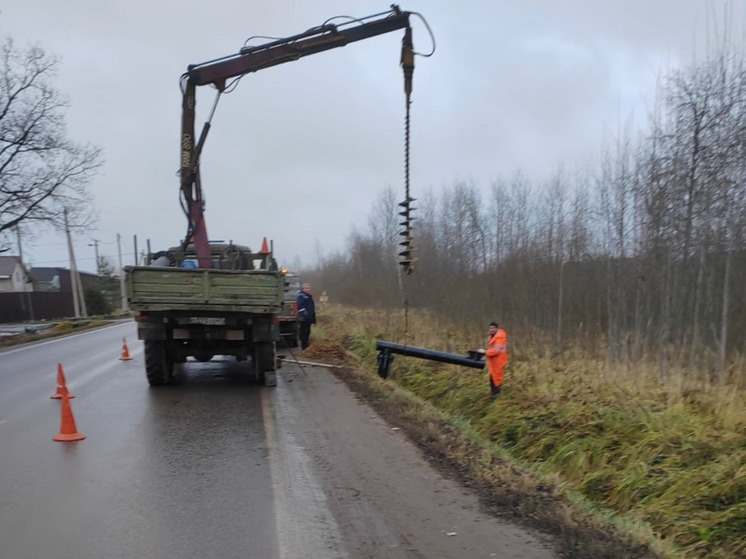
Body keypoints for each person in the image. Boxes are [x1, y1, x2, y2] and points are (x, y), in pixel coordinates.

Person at [485, 321, 508, 397]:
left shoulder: (499, 338)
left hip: (499, 361)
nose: (491, 330)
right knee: (492, 378)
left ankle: (496, 394)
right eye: (490, 328)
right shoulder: (492, 337)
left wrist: (486, 352)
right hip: (494, 361)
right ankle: (493, 393)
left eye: (493, 328)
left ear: (496, 328)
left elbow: (496, 351)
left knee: (496, 378)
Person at [296, 283, 316, 350]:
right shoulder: (301, 296)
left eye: (309, 288)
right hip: (303, 318)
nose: (308, 289)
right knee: (303, 333)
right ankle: (303, 347)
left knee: (307, 332)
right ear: (303, 288)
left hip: (308, 318)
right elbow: (300, 306)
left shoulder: (309, 296)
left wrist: (312, 317)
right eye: (306, 288)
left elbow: (311, 308)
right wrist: (305, 314)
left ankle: (306, 345)